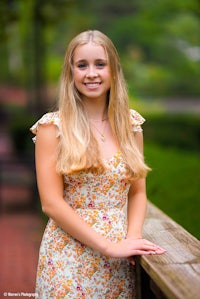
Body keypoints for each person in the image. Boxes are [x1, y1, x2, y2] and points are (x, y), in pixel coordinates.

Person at [30, 30, 166, 299]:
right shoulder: (53, 128)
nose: (91, 73)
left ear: (113, 71)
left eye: (99, 64)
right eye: (82, 65)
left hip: (119, 258)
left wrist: (132, 239)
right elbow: (51, 203)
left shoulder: (131, 125)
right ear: (71, 73)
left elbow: (137, 192)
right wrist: (107, 247)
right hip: (69, 257)